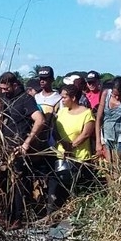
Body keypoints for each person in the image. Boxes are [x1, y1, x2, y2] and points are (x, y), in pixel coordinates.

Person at [0, 71, 46, 229]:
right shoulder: (5, 99)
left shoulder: (26, 99)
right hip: (4, 148)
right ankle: (6, 215)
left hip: (18, 149)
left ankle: (17, 218)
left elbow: (40, 120)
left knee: (17, 183)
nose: (3, 91)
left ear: (15, 85)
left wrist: (26, 143)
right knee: (3, 182)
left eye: (6, 88)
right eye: (1, 88)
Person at [48, 84, 95, 212]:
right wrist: (64, 145)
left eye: (64, 97)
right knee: (57, 187)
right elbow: (56, 130)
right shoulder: (62, 111)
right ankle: (54, 213)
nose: (62, 100)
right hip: (62, 156)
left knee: (80, 188)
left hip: (79, 157)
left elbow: (86, 134)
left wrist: (72, 146)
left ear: (73, 98)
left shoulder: (87, 113)